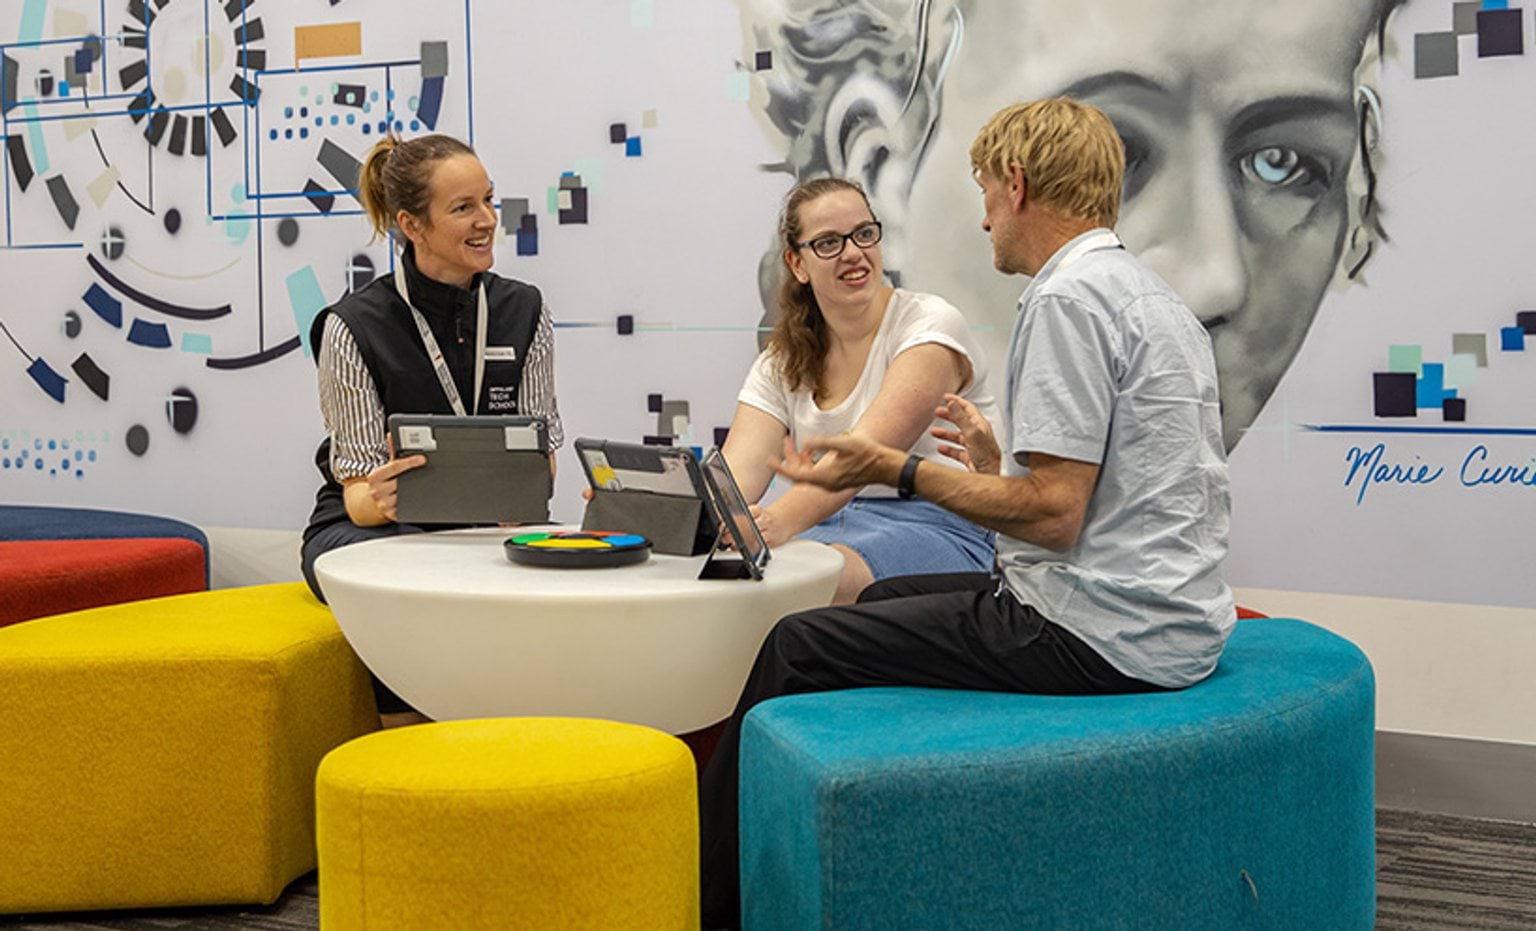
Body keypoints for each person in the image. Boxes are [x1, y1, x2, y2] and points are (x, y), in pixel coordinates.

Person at [698, 98, 1237, 927]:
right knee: (881, 601)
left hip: (1099, 629)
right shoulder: (1143, 293)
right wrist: (992, 466)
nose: (984, 218)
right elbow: (1095, 496)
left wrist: (900, 470)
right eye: (829, 243)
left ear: (1016, 185)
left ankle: (708, 892)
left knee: (798, 642)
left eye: (986, 192)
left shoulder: (1065, 300)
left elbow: (1054, 517)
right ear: (799, 263)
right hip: (1167, 617)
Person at [738, 0, 1403, 449]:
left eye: (1283, 163)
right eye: (1111, 153)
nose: (1214, 281)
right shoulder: (805, 358)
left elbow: (1046, 517)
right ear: (882, 172)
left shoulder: (964, 329)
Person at [299, 133, 562, 717]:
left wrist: (521, 497)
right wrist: (386, 498)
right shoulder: (352, 325)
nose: (486, 220)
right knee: (413, 569)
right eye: (463, 207)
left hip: (481, 527)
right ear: (411, 225)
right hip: (374, 532)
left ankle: (522, 731)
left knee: (556, 566)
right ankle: (406, 729)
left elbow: (541, 463)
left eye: (489, 200)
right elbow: (359, 499)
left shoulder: (525, 310)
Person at [723, 177, 1001, 604]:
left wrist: (771, 525)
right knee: (742, 582)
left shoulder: (930, 325)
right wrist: (685, 517)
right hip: (831, 525)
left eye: (864, 234)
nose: (853, 253)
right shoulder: (782, 360)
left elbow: (862, 460)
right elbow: (734, 479)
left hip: (939, 524)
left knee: (801, 585)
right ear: (797, 264)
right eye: (828, 243)